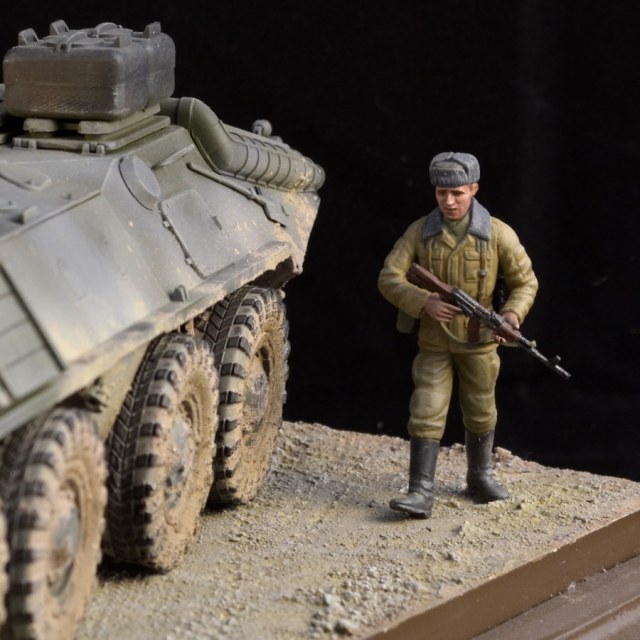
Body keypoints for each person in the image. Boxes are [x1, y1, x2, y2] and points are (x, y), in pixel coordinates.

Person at [378, 152, 538, 518]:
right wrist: (424, 301)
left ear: (474, 189)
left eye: (458, 193)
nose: (449, 201)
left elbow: (525, 282)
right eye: (441, 193)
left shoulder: (497, 233)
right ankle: (420, 490)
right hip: (435, 340)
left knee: (481, 408)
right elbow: (389, 277)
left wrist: (511, 315)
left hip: (480, 343)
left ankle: (480, 476)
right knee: (426, 408)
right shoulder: (420, 231)